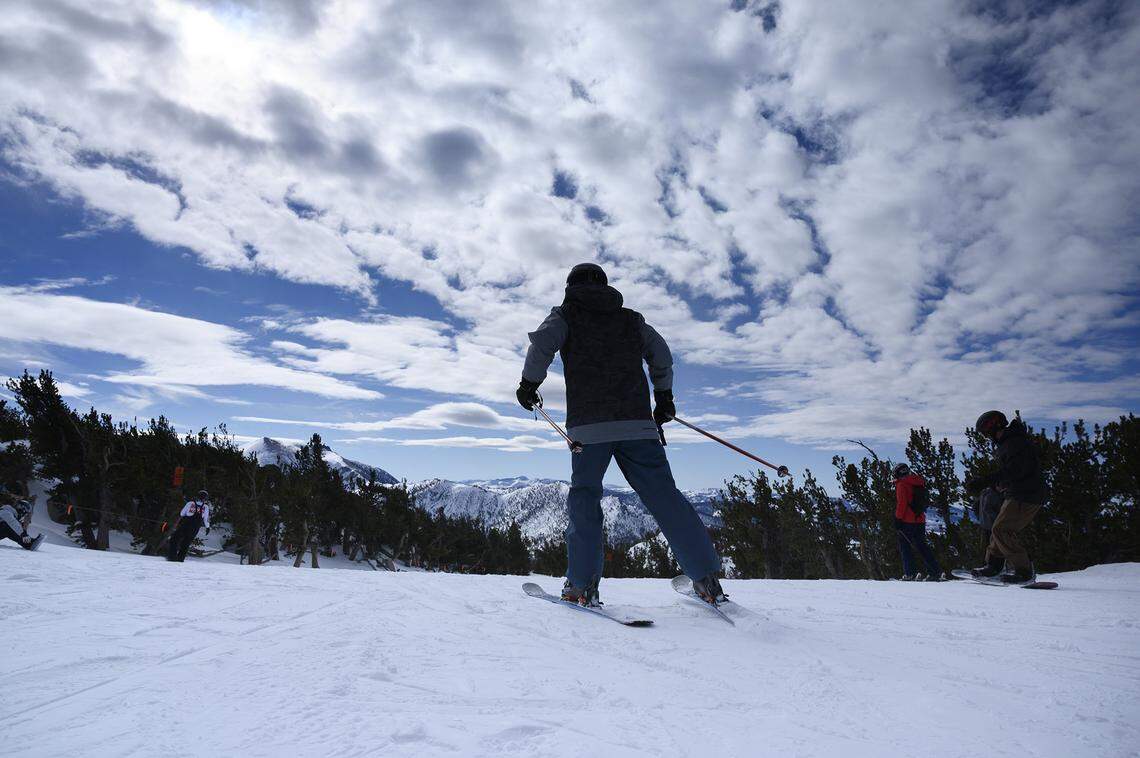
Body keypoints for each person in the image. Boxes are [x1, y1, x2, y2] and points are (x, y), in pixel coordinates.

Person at [517, 262, 723, 605]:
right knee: (665, 497)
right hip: (638, 424)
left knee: (585, 500)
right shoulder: (631, 320)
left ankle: (581, 586)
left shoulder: (565, 316)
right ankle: (706, 580)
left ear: (570, 286)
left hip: (588, 428)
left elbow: (542, 346)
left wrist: (528, 385)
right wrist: (664, 396)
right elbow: (661, 355)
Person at [965, 411, 1047, 583]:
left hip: (1026, 494)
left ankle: (1024, 570)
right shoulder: (1009, 442)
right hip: (1019, 492)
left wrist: (985, 481)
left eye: (986, 432)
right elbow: (1011, 473)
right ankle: (993, 565)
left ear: (995, 426)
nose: (986, 437)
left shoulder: (1014, 442)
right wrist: (992, 488)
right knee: (999, 528)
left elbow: (1015, 470)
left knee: (1002, 529)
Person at [892, 463, 943, 581]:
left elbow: (902, 503)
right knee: (922, 546)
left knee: (905, 547)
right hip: (920, 519)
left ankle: (910, 573)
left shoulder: (901, 484)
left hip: (907, 521)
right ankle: (935, 572)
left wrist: (898, 519)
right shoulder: (918, 482)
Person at [167, 490, 212, 562]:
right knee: (186, 542)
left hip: (186, 524)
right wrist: (207, 527)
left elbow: (182, 513)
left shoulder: (190, 503)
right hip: (195, 527)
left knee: (175, 539)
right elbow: (206, 519)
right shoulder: (205, 507)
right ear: (205, 498)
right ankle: (180, 559)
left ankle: (172, 557)